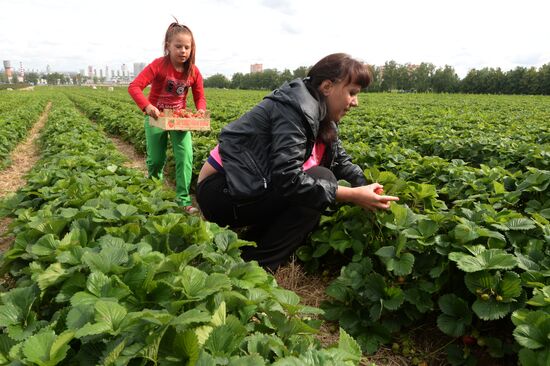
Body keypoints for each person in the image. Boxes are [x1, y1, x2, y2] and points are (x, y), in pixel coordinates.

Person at [196, 53, 399, 271]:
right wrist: (351, 194)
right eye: (352, 93)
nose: (355, 102)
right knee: (322, 179)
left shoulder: (323, 116)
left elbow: (341, 161)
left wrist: (372, 187)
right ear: (328, 87)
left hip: (246, 190)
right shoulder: (294, 109)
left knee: (321, 180)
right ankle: (257, 266)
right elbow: (288, 178)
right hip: (220, 191)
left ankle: (251, 246)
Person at [128, 19, 206, 214]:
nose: (183, 51)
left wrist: (201, 110)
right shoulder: (159, 65)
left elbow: (200, 96)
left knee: (185, 155)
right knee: (155, 160)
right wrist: (147, 106)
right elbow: (134, 87)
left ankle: (183, 199)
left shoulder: (193, 71)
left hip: (179, 119)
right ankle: (155, 190)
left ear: (191, 49)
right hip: (156, 117)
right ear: (168, 46)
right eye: (178, 46)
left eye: (187, 47)